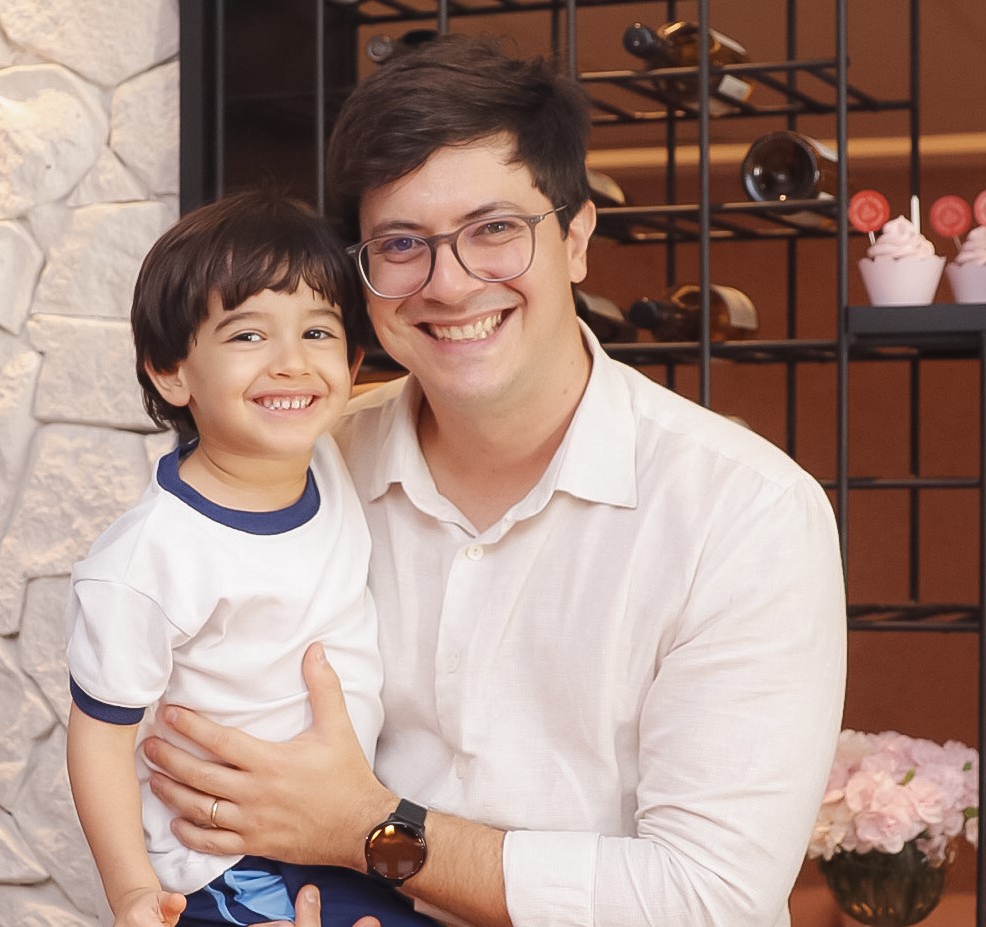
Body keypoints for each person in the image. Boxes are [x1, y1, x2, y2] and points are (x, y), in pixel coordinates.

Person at [141, 35, 848, 927]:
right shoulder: (299, 464)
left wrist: (366, 829)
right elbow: (189, 757)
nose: (449, 283)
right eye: (401, 243)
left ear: (576, 237)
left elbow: (706, 899)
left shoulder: (743, 512)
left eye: (494, 230)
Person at [64, 190, 439, 927]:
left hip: (337, 828)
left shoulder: (327, 458)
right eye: (246, 335)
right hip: (226, 864)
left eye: (317, 331)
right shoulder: (148, 560)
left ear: (351, 363)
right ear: (171, 371)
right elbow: (99, 737)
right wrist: (131, 890)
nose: (292, 363)